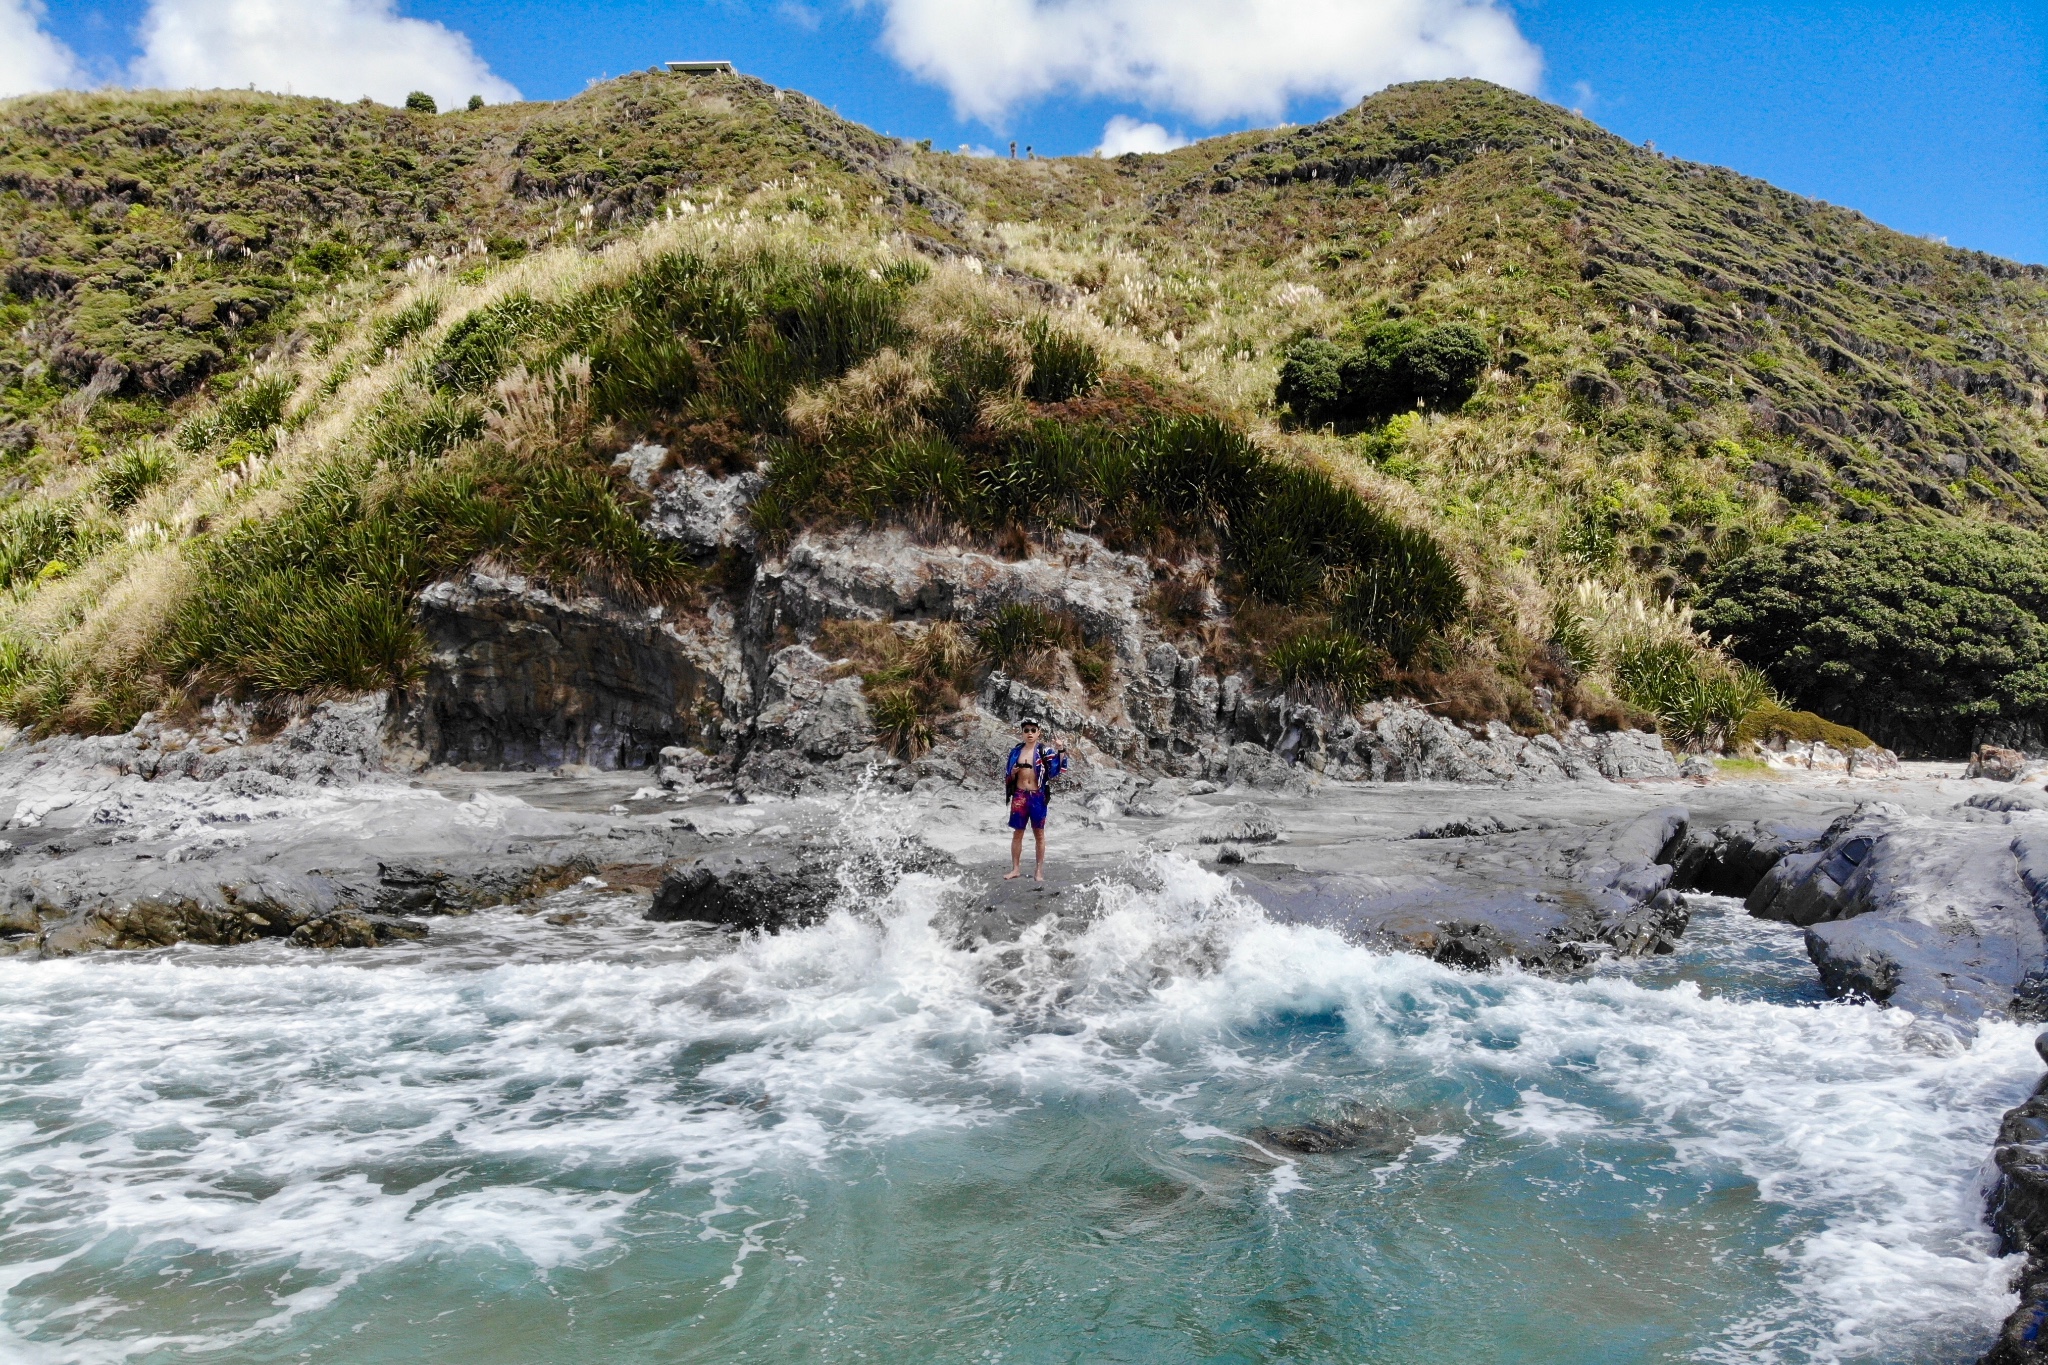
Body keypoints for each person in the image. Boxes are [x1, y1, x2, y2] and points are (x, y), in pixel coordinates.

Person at [1002, 717, 1066, 881]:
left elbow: (1056, 769)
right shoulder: (1016, 752)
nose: (1029, 733)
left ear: (1038, 733)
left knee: (1039, 834)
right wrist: (1014, 772)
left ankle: (1039, 871)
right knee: (1018, 833)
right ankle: (1015, 869)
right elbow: (1008, 774)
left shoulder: (1044, 751)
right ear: (1022, 733)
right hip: (1020, 796)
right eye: (1026, 730)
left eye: (1033, 730)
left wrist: (1060, 749)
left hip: (1037, 796)